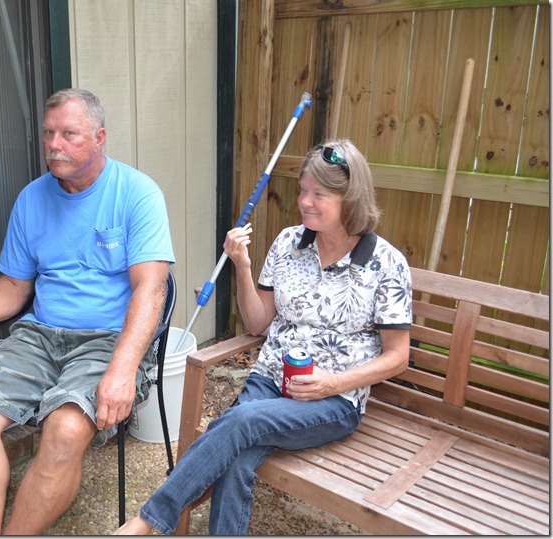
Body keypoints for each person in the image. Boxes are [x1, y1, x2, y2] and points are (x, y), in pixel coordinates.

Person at [116, 139, 412, 535]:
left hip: (333, 400)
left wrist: (333, 383)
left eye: (318, 195)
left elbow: (398, 356)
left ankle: (146, 521)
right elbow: (258, 324)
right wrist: (242, 265)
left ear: (351, 199)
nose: (304, 202)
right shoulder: (289, 243)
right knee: (237, 458)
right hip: (270, 381)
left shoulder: (386, 263)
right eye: (303, 190)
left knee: (239, 422)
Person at [0, 88, 174, 534]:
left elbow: (151, 289)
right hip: (40, 336)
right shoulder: (31, 199)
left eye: (69, 134)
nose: (54, 145)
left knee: (65, 430)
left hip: (107, 340)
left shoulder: (136, 193)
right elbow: (14, 286)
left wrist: (123, 369)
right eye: (49, 133)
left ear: (99, 138)